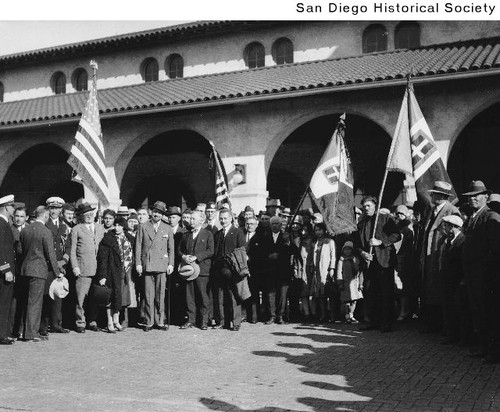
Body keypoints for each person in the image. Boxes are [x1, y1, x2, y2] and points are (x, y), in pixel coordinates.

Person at [461, 181, 500, 363]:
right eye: (470, 197)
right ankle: (484, 346)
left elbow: (495, 249)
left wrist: (484, 269)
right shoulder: (472, 218)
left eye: (477, 195)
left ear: (486, 197)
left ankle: (493, 351)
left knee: (489, 312)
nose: (473, 199)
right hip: (473, 274)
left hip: (485, 276)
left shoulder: (490, 217)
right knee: (477, 311)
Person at [355, 196, 401, 333]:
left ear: (375, 206)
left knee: (385, 292)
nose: (366, 208)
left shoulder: (385, 219)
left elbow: (396, 235)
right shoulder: (361, 223)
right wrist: (362, 253)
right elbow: (356, 242)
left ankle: (387, 322)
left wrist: (380, 242)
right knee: (370, 292)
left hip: (384, 261)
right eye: (364, 206)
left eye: (369, 206)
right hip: (369, 262)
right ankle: (373, 321)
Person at [419, 181, 459, 333]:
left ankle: (443, 326)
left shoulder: (452, 211)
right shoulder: (432, 211)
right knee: (430, 291)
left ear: (442, 196)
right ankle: (432, 324)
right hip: (429, 259)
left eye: (434, 194)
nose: (431, 196)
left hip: (441, 258)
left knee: (441, 292)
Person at [19, 206, 60, 342]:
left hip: (24, 270)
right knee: (35, 303)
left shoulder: (25, 230)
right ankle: (31, 333)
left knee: (25, 301)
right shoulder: (45, 231)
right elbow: (51, 254)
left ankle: (21, 331)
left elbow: (20, 250)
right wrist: (57, 272)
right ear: (46, 216)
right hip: (38, 271)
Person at [135, 201, 175, 332]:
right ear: (151, 212)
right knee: (148, 295)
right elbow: (138, 246)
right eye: (155, 211)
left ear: (163, 214)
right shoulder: (143, 226)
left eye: (160, 212)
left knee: (160, 294)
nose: (157, 214)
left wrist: (171, 264)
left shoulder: (167, 228)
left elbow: (171, 249)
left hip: (162, 266)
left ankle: (160, 320)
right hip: (147, 264)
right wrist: (139, 263)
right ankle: (149, 321)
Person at [70, 202, 105, 333]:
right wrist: (75, 266)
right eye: (86, 214)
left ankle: (92, 321)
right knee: (81, 298)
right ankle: (80, 322)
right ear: (81, 216)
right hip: (83, 268)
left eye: (91, 213)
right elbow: (72, 250)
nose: (89, 216)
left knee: (95, 297)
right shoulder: (77, 229)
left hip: (98, 269)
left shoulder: (100, 228)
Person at [96, 217, 134, 333]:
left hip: (124, 271)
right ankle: (109, 322)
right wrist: (102, 276)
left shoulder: (129, 238)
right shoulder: (108, 239)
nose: (116, 227)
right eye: (115, 225)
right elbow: (102, 259)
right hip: (111, 271)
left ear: (123, 226)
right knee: (110, 297)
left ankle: (116, 320)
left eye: (119, 225)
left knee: (119, 296)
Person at [178, 210, 214, 330]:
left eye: (193, 219)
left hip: (202, 270)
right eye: (190, 218)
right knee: (189, 296)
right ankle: (190, 319)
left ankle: (203, 321)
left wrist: (197, 257)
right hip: (188, 270)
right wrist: (184, 256)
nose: (191, 221)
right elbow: (179, 250)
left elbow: (210, 251)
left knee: (203, 296)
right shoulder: (186, 235)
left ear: (201, 220)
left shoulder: (208, 234)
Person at [212, 208, 246, 331]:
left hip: (233, 271)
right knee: (221, 297)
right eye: (221, 218)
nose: (223, 221)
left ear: (231, 218)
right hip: (220, 271)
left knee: (234, 297)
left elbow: (242, 250)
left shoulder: (238, 232)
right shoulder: (218, 234)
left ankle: (236, 322)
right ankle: (222, 322)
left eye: (225, 218)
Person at [43, 196, 70, 334]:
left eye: (57, 208)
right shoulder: (45, 224)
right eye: (52, 208)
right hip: (47, 266)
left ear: (61, 210)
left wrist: (64, 261)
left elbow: (68, 246)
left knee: (58, 294)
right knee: (46, 295)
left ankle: (56, 324)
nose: (54, 211)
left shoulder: (64, 226)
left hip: (60, 265)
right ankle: (43, 325)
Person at [439, 214, 466, 345]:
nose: (443, 227)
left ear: (453, 227)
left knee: (459, 309)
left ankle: (462, 337)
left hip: (457, 281)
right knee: (450, 308)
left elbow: (463, 262)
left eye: (446, 225)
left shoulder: (462, 240)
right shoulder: (448, 240)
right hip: (448, 280)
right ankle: (452, 335)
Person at [308, 222, 336, 322]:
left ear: (324, 230)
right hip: (317, 270)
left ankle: (332, 315)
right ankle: (323, 315)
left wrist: (332, 268)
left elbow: (333, 256)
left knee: (329, 293)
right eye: (316, 230)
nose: (318, 232)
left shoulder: (330, 241)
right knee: (320, 294)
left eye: (319, 230)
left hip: (326, 269)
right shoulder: (315, 242)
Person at [394, 204, 418, 321]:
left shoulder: (409, 228)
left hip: (407, 261)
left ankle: (406, 311)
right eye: (398, 213)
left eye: (402, 213)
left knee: (405, 287)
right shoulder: (396, 227)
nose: (400, 216)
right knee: (400, 287)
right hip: (398, 260)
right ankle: (402, 310)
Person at [166, 206, 187, 326]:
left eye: (173, 217)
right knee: (169, 291)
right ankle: (170, 317)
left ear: (179, 218)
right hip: (168, 265)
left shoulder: (183, 232)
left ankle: (180, 316)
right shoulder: (164, 230)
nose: (171, 219)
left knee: (180, 292)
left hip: (180, 265)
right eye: (169, 217)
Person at [0, 195, 16, 345]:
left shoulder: (5, 223)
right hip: (4, 272)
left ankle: (3, 333)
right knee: (3, 303)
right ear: (5, 207)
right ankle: (2, 335)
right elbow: (1, 250)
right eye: (12, 206)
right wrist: (6, 270)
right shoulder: (1, 224)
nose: (13, 209)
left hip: (6, 270)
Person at [337, 241, 363, 323]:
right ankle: (347, 315)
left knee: (354, 300)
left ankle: (352, 314)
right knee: (346, 300)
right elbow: (339, 272)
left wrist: (361, 283)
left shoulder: (355, 259)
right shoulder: (342, 260)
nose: (347, 251)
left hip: (354, 282)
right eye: (345, 249)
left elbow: (359, 271)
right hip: (346, 282)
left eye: (349, 249)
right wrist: (340, 282)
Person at [244, 216, 262, 323]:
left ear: (256, 225)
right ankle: (246, 315)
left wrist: (251, 258)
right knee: (245, 293)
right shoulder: (242, 236)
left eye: (252, 224)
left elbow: (262, 254)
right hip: (243, 269)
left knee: (254, 294)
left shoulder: (260, 238)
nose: (249, 226)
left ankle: (255, 316)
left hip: (255, 269)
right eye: (248, 224)